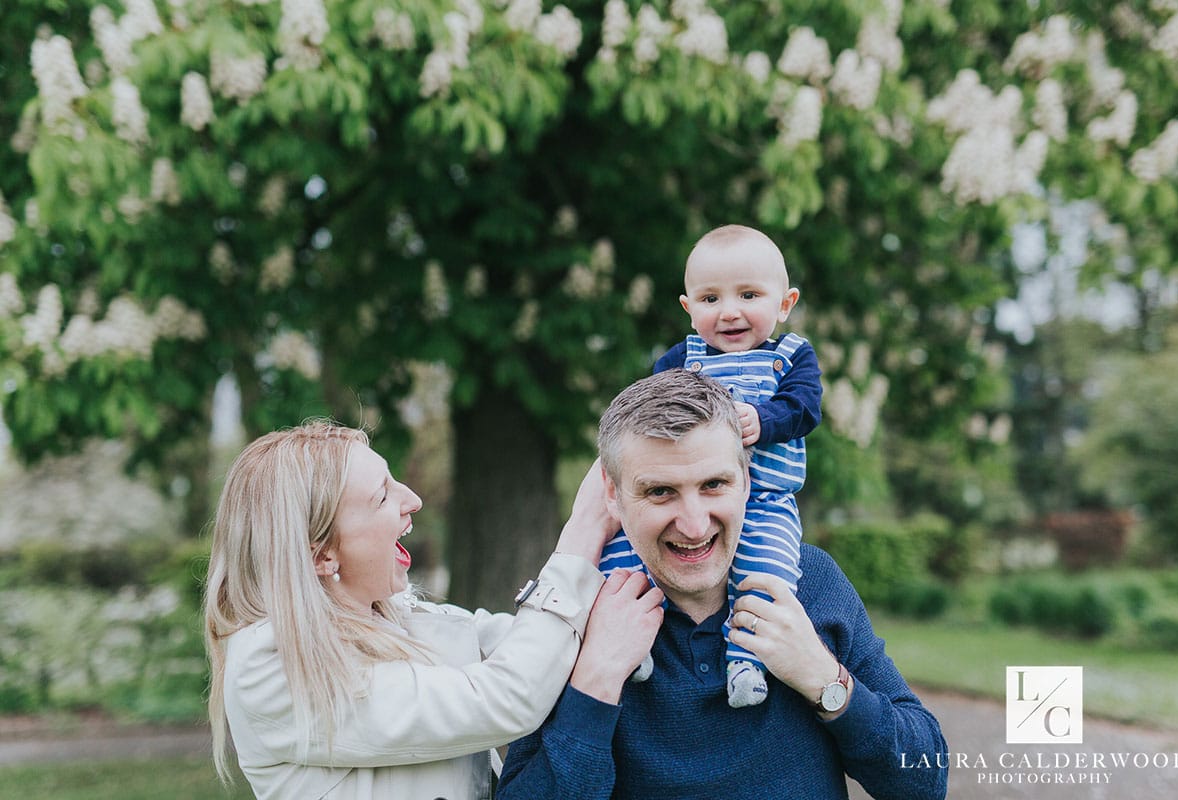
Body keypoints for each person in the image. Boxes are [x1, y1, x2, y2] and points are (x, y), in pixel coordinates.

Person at [497, 370, 948, 800]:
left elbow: (925, 781)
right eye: (660, 491)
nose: (694, 525)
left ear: (747, 480)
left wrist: (823, 678)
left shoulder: (811, 581)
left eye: (714, 484)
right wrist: (596, 680)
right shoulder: (579, 611)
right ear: (612, 495)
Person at [203, 420, 663, 799]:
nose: (413, 501)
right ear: (321, 555)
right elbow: (507, 696)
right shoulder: (272, 665)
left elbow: (538, 648)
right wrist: (584, 530)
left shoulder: (391, 616)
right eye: (382, 496)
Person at [600, 223, 823, 707]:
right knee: (622, 555)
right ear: (688, 307)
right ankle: (627, 641)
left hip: (765, 500)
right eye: (710, 299)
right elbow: (649, 416)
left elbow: (806, 408)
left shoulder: (789, 357)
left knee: (767, 572)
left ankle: (746, 660)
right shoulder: (684, 358)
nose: (729, 312)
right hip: (687, 491)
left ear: (785, 303)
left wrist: (764, 420)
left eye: (748, 294)